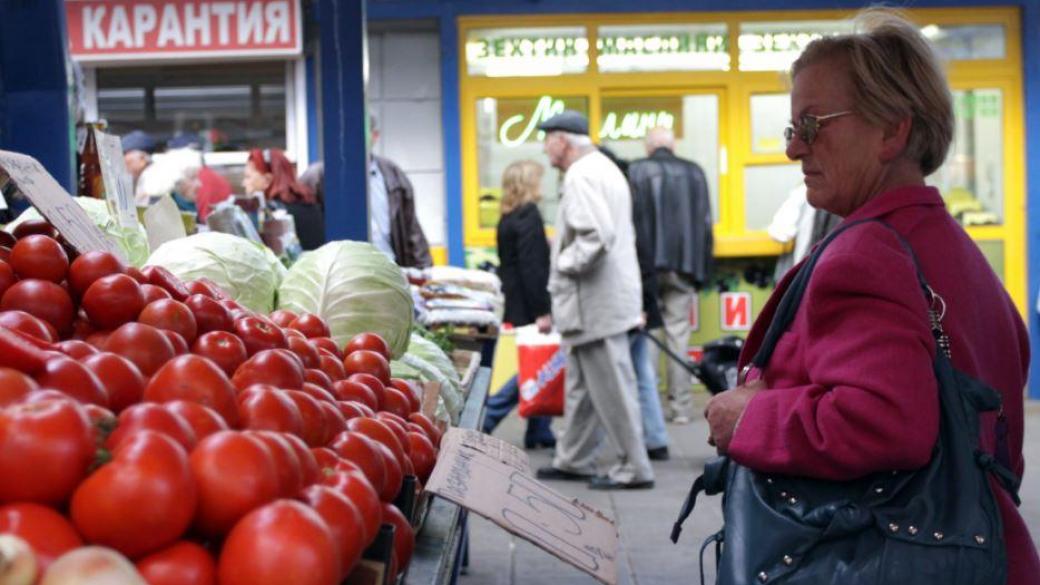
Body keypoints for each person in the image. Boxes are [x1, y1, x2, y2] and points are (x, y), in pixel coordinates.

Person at [703, 11, 1039, 583]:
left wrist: (750, 417)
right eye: (792, 129)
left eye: (812, 125)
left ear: (892, 131)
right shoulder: (952, 248)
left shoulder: (865, 255)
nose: (793, 150)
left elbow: (881, 422)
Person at [533, 110, 653, 491]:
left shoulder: (581, 175)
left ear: (563, 141)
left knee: (612, 388)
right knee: (585, 386)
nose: (544, 147)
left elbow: (595, 237)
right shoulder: (602, 167)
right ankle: (574, 459)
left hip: (593, 300)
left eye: (547, 138)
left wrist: (563, 265)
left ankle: (634, 467)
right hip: (602, 298)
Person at [627, 127, 714, 425]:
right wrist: (702, 268)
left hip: (646, 268)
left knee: (649, 335)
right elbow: (705, 223)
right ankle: (681, 408)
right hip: (684, 265)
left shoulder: (636, 171)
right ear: (672, 145)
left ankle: (648, 410)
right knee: (678, 335)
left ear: (648, 147)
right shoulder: (695, 172)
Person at [601, 144, 671, 460]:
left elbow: (636, 255)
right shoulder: (630, 194)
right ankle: (655, 439)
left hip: (630, 303)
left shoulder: (617, 201)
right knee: (640, 373)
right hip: (639, 299)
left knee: (623, 377)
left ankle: (634, 445)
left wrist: (639, 304)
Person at [481, 160, 556, 449]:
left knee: (540, 363)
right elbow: (532, 267)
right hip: (530, 301)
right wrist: (542, 311)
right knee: (535, 368)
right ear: (528, 183)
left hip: (516, 297)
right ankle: (489, 417)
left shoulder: (508, 216)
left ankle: (540, 431)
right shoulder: (529, 216)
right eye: (538, 178)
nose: (542, 184)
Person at [369, 116, 433, 268]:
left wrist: (424, 269)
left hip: (391, 269)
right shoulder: (321, 177)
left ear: (375, 136)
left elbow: (411, 226)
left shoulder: (392, 174)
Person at [243, 148, 325, 250]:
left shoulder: (270, 213)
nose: (244, 183)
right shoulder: (311, 204)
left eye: (247, 177)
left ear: (267, 180)